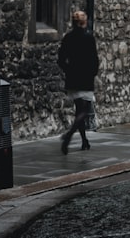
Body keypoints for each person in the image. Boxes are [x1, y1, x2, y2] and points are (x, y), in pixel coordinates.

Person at [58, 9, 99, 154]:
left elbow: (61, 58)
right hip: (85, 76)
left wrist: (67, 69)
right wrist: (94, 72)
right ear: (84, 22)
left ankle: (84, 141)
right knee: (85, 110)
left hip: (73, 76)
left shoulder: (68, 37)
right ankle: (69, 136)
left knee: (78, 110)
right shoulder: (88, 37)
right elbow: (94, 59)